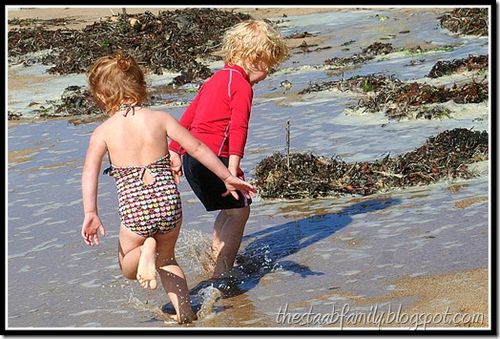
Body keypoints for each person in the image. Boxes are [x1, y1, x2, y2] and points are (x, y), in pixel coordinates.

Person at [80, 51, 256, 324]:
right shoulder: (160, 118)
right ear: (142, 85)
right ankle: (186, 315)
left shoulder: (104, 131)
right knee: (168, 259)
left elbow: (90, 170)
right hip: (168, 203)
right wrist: (226, 176)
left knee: (129, 263)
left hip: (136, 208)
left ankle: (145, 249)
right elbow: (196, 147)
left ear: (102, 97)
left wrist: (91, 211)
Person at [168, 19, 288, 279]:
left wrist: (175, 151)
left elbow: (189, 116)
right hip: (216, 159)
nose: (267, 74)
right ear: (256, 57)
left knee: (230, 210)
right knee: (240, 211)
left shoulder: (215, 78)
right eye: (269, 66)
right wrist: (231, 170)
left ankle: (215, 260)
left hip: (192, 159)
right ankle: (223, 273)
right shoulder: (241, 85)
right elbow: (238, 127)